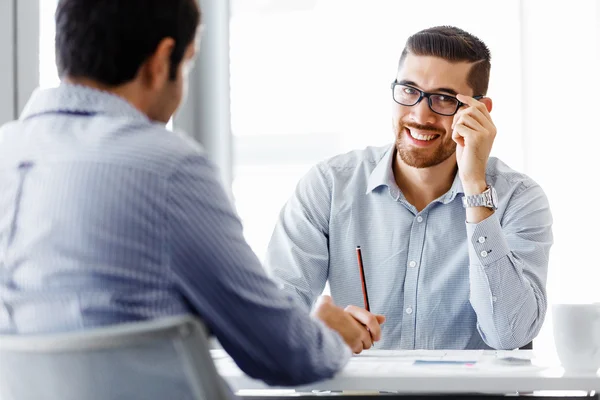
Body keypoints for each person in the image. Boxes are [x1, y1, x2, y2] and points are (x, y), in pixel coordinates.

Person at [0, 0, 386, 389]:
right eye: (185, 65)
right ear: (160, 61)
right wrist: (328, 333)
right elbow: (284, 354)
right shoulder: (164, 167)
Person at [265, 26, 553, 351]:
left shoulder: (519, 198)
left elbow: (509, 335)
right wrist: (312, 325)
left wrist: (476, 189)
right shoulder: (329, 185)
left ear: (479, 110)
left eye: (444, 98)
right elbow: (272, 317)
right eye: (408, 90)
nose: (420, 114)